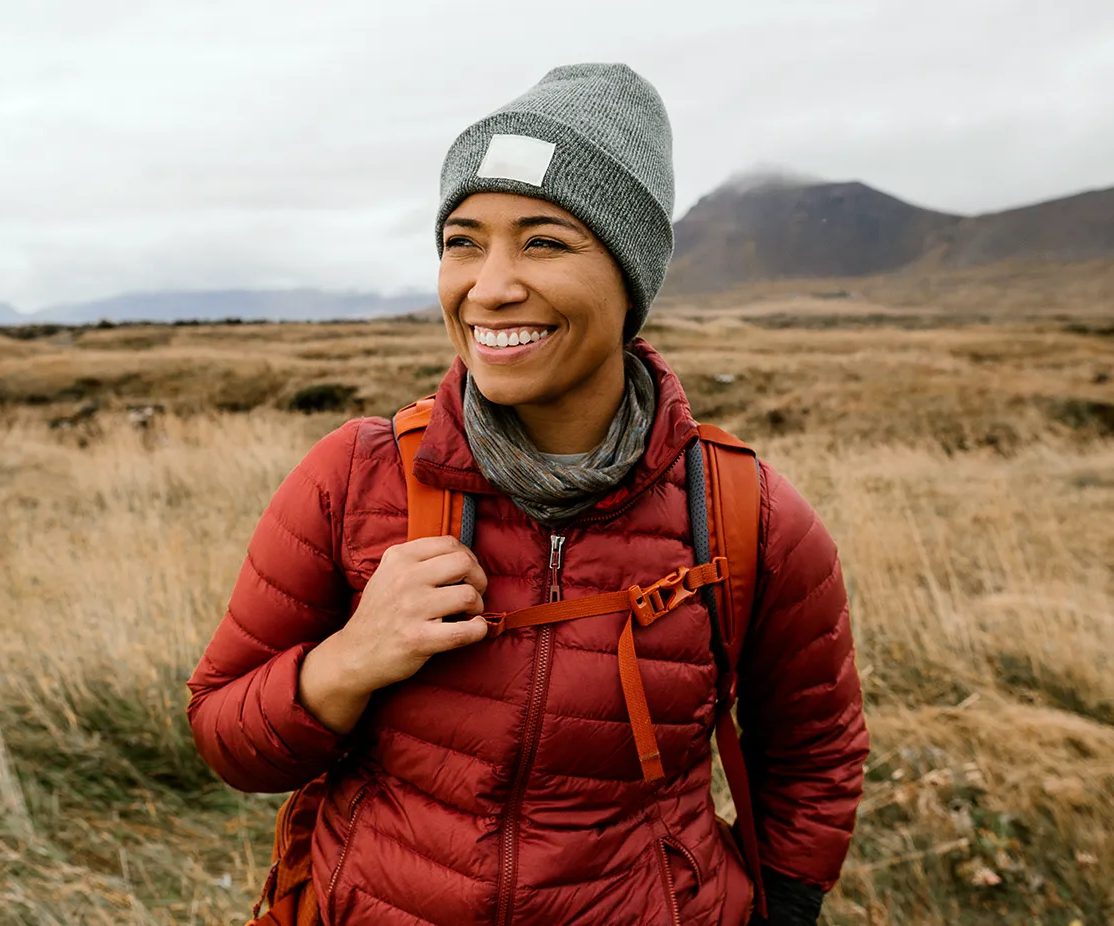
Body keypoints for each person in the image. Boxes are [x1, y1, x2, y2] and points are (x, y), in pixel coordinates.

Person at [187, 63, 868, 926]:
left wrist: (787, 907)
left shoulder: (747, 514)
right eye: (463, 241)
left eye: (543, 242)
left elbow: (814, 754)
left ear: (630, 276)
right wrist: (349, 660)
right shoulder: (354, 477)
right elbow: (225, 738)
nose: (490, 286)